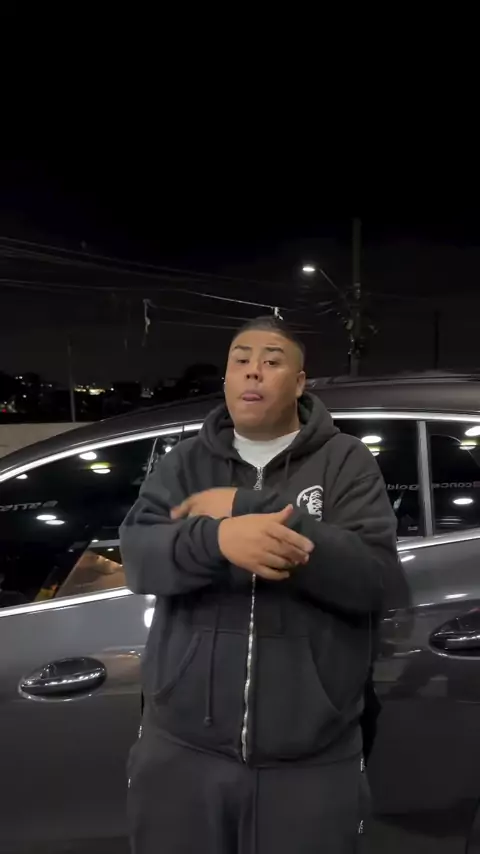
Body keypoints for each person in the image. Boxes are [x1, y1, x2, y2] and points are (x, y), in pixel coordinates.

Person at [120, 315, 402, 853]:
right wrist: (217, 540)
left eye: (272, 361)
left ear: (299, 383)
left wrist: (249, 508)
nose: (253, 371)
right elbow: (138, 556)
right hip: (182, 752)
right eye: (241, 361)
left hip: (311, 760)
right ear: (227, 378)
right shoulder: (184, 462)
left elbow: (373, 578)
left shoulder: (346, 461)